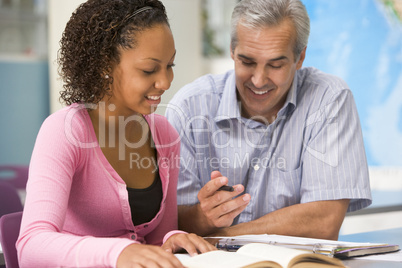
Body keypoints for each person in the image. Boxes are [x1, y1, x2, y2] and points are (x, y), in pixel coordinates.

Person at [16, 0, 215, 267]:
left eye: (170, 65)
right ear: (104, 66)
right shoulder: (65, 132)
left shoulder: (164, 135)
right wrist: (119, 252)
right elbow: (31, 245)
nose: (166, 82)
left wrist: (173, 239)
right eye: (149, 70)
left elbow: (156, 240)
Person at [165, 0, 372, 240]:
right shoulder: (189, 108)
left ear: (300, 57)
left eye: (275, 65)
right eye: (247, 62)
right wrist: (203, 216)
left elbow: (324, 222)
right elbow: (169, 223)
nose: (259, 80)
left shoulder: (329, 99)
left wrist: (224, 237)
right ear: (232, 50)